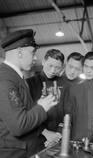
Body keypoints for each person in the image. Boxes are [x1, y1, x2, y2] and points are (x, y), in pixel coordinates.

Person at [0, 29, 58, 158]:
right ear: (20, 52)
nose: (35, 58)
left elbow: (23, 110)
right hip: (14, 152)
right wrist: (42, 107)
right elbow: (18, 125)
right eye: (33, 52)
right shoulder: (5, 78)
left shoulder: (16, 76)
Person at [63, 51, 93, 141]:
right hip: (78, 139)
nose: (88, 70)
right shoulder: (73, 88)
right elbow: (68, 115)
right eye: (86, 66)